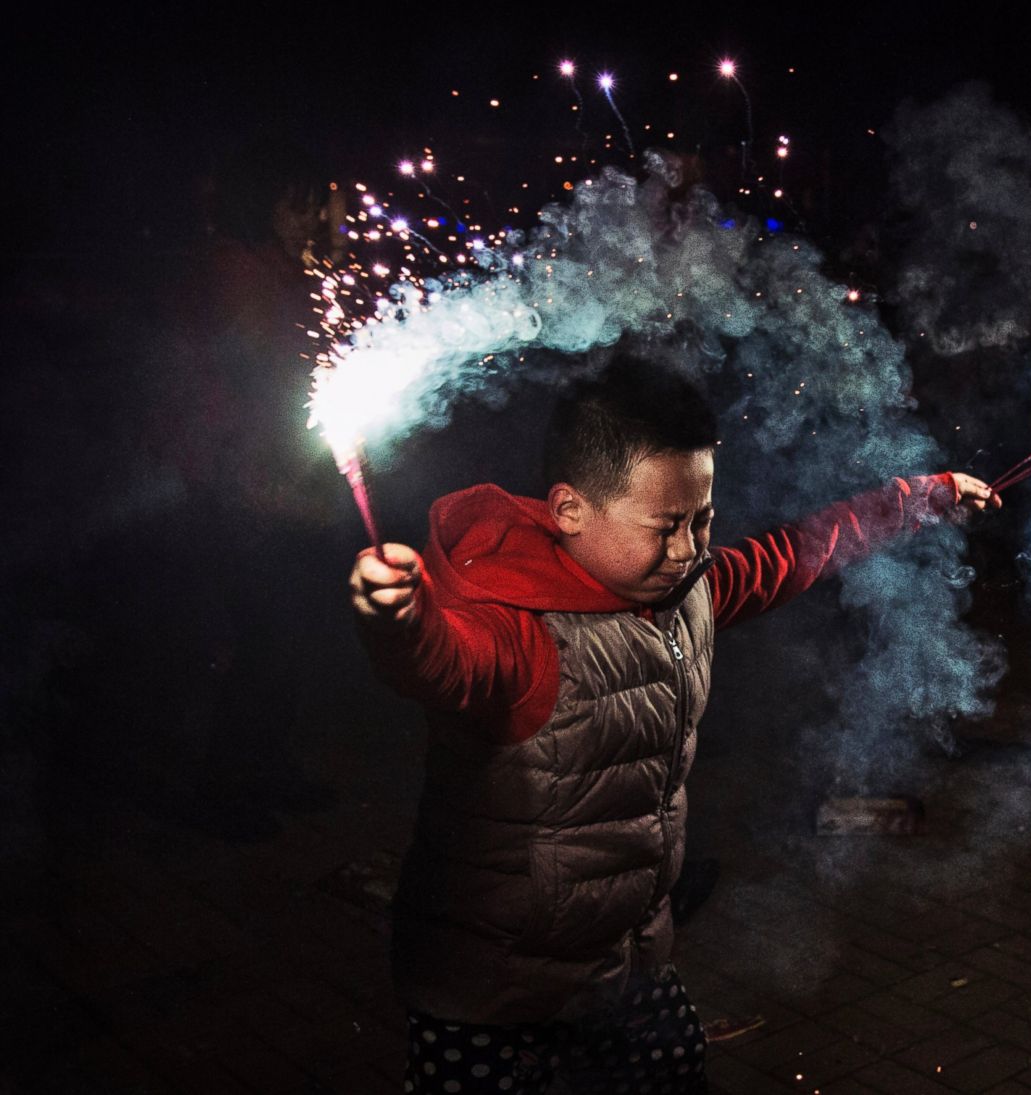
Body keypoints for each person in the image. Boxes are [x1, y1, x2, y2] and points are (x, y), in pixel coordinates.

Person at [349, 360, 997, 1094]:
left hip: (626, 962)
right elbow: (441, 659)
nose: (689, 548)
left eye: (703, 519)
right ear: (569, 510)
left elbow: (797, 552)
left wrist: (919, 498)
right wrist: (397, 619)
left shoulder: (686, 590)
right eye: (665, 525)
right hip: (488, 990)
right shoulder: (514, 629)